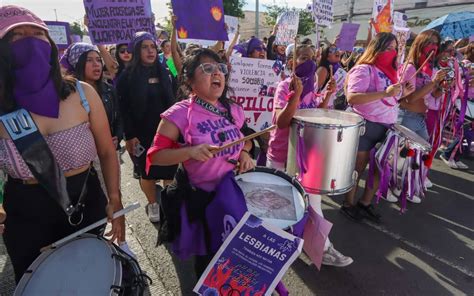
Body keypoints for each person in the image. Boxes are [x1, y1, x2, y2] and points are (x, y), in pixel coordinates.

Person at [0, 5, 124, 282]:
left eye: (37, 34)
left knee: (89, 279)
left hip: (83, 201)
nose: (30, 41)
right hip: (25, 212)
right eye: (17, 36)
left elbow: (106, 151)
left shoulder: (82, 93)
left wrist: (114, 197)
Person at [146, 48, 254, 278]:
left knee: (236, 256)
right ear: (189, 80)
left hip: (233, 195)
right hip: (203, 201)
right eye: (207, 68)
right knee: (209, 263)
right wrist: (190, 151)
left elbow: (247, 140)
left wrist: (245, 153)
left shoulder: (233, 109)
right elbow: (156, 155)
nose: (217, 73)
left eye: (220, 69)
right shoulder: (178, 113)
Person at [265, 44, 352, 267]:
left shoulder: (313, 87)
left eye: (312, 58)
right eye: (303, 57)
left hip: (306, 157)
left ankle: (323, 249)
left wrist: (328, 95)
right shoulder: (284, 86)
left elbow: (316, 114)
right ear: (292, 62)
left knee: (314, 203)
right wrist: (296, 95)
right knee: (278, 205)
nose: (309, 62)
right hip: (282, 155)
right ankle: (271, 249)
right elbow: (281, 122)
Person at [341, 32, 413, 222]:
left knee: (377, 170)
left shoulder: (393, 72)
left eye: (395, 48)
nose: (393, 52)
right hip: (364, 126)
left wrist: (402, 93)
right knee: (357, 169)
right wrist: (385, 92)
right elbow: (353, 98)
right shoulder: (364, 69)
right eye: (388, 48)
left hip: (386, 128)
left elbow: (391, 98)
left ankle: (365, 203)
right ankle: (348, 203)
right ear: (377, 48)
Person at [117, 32, 176, 223]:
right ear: (136, 50)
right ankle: (153, 204)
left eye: (152, 46)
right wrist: (129, 136)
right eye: (145, 47)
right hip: (141, 135)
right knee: (148, 173)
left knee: (169, 170)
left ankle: (168, 203)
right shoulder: (126, 77)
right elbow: (123, 109)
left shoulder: (164, 71)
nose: (150, 51)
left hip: (167, 132)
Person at [398, 30, 447, 197]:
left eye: (436, 43)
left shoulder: (426, 68)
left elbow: (431, 95)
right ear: (421, 43)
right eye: (430, 42)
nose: (434, 47)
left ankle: (408, 187)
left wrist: (440, 87)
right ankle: (392, 186)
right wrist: (433, 82)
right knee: (401, 158)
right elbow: (410, 98)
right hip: (407, 116)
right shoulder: (410, 67)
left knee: (419, 155)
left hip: (420, 119)